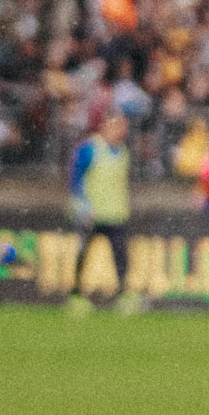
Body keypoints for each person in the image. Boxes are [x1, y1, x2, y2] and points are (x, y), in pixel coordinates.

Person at [67, 105, 141, 315]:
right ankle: (77, 295)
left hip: (115, 214)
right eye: (116, 126)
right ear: (105, 126)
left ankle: (123, 296)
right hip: (92, 214)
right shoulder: (89, 149)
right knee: (84, 254)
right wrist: (81, 206)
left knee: (121, 257)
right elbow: (75, 180)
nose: (120, 130)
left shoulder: (123, 152)